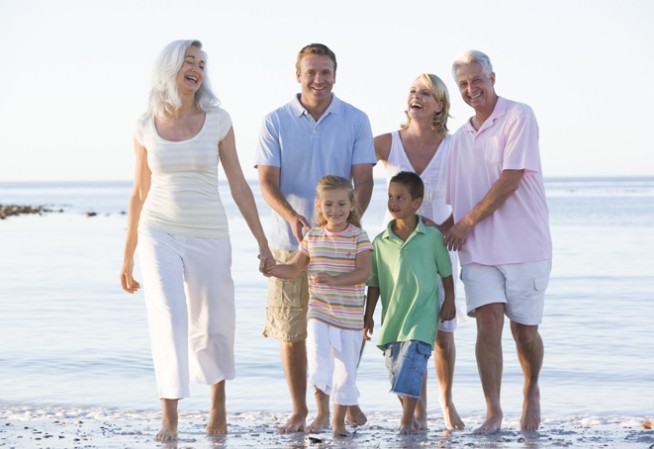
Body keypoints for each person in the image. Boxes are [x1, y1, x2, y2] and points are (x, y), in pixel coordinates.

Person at [119, 40, 273, 441]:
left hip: (209, 232)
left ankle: (217, 400)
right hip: (158, 230)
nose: (197, 69)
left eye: (201, 64)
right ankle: (169, 414)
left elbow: (239, 184)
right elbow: (138, 192)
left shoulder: (218, 120)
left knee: (213, 321)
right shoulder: (143, 124)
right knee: (168, 317)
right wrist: (127, 255)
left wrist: (262, 241)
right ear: (169, 68)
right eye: (189, 62)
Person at [255, 43, 376, 433]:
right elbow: (266, 182)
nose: (318, 79)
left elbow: (365, 178)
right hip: (290, 242)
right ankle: (301, 410)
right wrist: (292, 216)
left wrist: (348, 227)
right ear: (298, 75)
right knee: (293, 332)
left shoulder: (356, 119)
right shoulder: (275, 120)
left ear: (335, 75)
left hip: (340, 242)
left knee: (341, 330)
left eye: (325, 72)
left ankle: (343, 401)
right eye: (311, 72)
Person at [442, 50, 552, 434]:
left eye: (477, 80)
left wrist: (466, 223)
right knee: (487, 326)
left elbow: (511, 179)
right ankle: (493, 411)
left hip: (525, 244)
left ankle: (531, 389)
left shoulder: (519, 116)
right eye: (463, 85)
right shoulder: (458, 138)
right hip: (479, 251)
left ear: (492, 78)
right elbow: (456, 203)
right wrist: (421, 233)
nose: (472, 89)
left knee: (524, 331)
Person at [373, 73, 466, 430]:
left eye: (425, 92)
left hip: (439, 251)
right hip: (396, 255)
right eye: (413, 91)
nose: (417, 96)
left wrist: (452, 224)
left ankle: (446, 403)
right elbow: (352, 170)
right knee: (406, 333)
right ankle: (417, 412)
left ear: (440, 105)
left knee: (442, 333)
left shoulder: (456, 145)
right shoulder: (385, 142)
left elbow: (474, 188)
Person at [262, 176, 373, 437]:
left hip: (349, 316)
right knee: (318, 359)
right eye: (329, 204)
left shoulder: (359, 237)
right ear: (318, 205)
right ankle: (322, 413)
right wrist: (272, 268)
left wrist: (335, 280)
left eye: (341, 204)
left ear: (352, 205)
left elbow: (364, 273)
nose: (335, 210)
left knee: (346, 369)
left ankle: (338, 422)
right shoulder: (312, 236)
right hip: (319, 313)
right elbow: (293, 269)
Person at [364, 171, 455, 435]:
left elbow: (446, 274)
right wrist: (368, 316)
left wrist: (449, 301)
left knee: (411, 366)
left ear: (417, 202)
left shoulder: (433, 238)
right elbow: (374, 283)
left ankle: (406, 421)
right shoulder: (379, 243)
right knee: (396, 373)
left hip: (423, 316)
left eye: (400, 197)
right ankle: (414, 418)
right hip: (393, 320)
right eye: (390, 197)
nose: (393, 202)